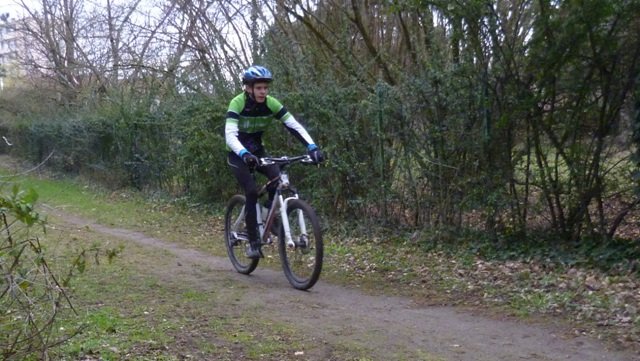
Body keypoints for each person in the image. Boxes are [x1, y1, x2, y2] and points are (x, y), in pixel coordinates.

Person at [225, 65, 324, 259]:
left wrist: (312, 148)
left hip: (257, 151)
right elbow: (229, 135)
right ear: (248, 88)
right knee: (252, 191)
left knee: (277, 178)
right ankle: (253, 242)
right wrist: (244, 154)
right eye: (259, 88)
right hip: (237, 154)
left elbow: (293, 125)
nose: (263, 91)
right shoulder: (237, 103)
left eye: (265, 88)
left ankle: (268, 216)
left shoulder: (271, 103)